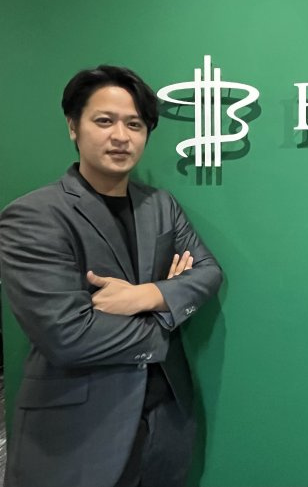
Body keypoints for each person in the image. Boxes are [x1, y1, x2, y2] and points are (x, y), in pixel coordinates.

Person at [0, 65, 222, 487]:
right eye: (104, 121)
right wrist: (166, 321)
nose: (121, 136)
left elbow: (208, 273)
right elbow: (66, 336)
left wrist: (147, 295)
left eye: (134, 124)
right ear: (73, 126)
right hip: (77, 435)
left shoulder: (160, 205)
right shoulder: (34, 216)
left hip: (165, 426)